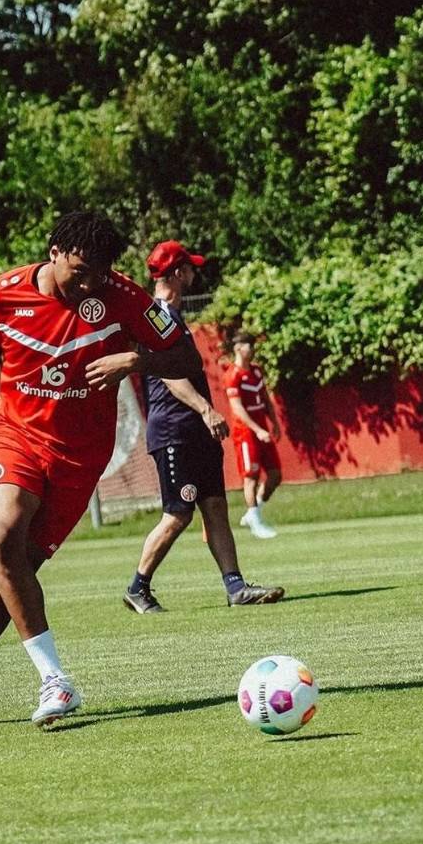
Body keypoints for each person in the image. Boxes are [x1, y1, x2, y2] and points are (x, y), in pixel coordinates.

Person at [0, 211, 201, 735]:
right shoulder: (0, 295)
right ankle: (54, 678)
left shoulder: (125, 299)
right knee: (4, 533)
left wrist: (135, 362)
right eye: (80, 271)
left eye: (99, 274)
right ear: (54, 251)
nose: (89, 284)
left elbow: (187, 358)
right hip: (13, 436)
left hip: (79, 458)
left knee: (5, 585)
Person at [122, 241, 285, 614]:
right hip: (174, 430)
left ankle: (236, 587)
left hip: (194, 428)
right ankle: (137, 587)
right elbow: (167, 375)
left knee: (215, 507)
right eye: (190, 269)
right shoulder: (158, 316)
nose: (194, 275)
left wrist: (204, 417)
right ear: (178, 272)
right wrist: (206, 410)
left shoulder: (174, 316)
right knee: (179, 513)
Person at [223, 330, 283, 539]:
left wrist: (274, 422)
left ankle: (253, 512)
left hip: (262, 428)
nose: (252, 349)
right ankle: (255, 520)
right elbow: (237, 408)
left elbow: (265, 398)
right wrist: (257, 430)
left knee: (275, 474)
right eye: (249, 345)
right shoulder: (233, 375)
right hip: (246, 433)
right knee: (251, 477)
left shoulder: (256, 371)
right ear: (238, 348)